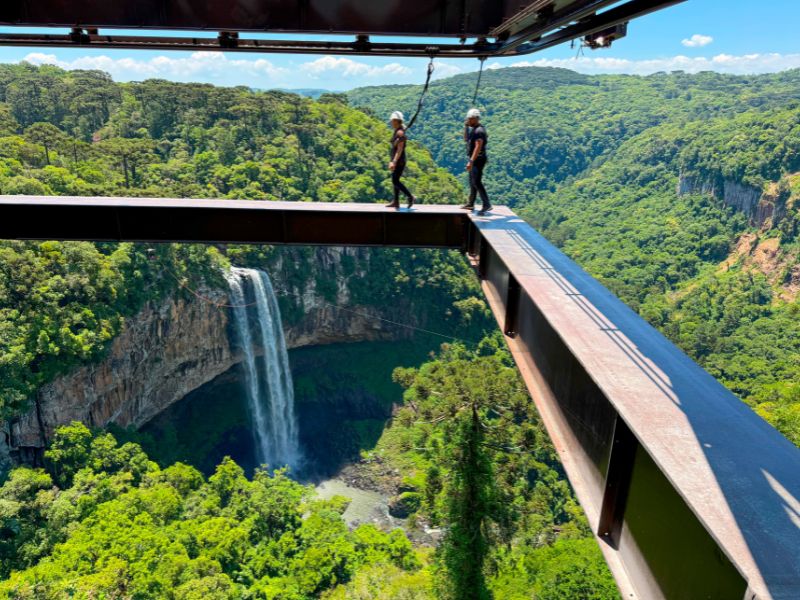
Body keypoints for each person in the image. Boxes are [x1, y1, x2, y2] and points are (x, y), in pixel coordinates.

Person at [461, 108, 492, 215]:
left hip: (478, 159)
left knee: (476, 181)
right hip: (475, 158)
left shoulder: (479, 131)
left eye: (470, 119)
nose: (468, 120)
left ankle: (487, 204)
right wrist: (465, 127)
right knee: (472, 181)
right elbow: (465, 139)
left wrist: (471, 161)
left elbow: (478, 147)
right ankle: (471, 203)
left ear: (475, 119)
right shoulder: (473, 129)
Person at [386, 111, 416, 209]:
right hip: (397, 160)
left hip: (399, 161)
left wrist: (394, 161)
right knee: (395, 180)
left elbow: (400, 149)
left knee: (395, 181)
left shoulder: (400, 132)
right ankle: (396, 202)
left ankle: (410, 196)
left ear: (396, 121)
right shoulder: (398, 131)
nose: (391, 122)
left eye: (392, 121)